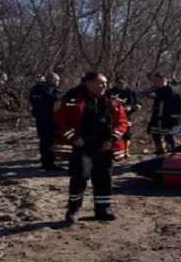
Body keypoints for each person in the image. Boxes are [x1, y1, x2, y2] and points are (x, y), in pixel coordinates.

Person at [54, 72, 128, 224]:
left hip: (104, 146)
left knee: (103, 178)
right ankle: (73, 210)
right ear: (88, 83)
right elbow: (60, 121)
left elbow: (122, 122)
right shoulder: (72, 99)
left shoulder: (112, 101)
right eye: (100, 83)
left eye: (105, 83)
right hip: (82, 145)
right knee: (80, 177)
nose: (104, 86)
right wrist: (74, 138)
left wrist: (112, 139)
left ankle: (103, 210)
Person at [29, 72, 62, 171]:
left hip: (40, 119)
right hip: (49, 120)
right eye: (57, 81)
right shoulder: (49, 90)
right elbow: (56, 101)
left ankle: (46, 163)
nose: (58, 83)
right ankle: (49, 164)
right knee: (49, 142)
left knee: (44, 142)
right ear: (52, 80)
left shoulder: (36, 90)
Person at [146, 73, 181, 154]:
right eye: (155, 81)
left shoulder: (172, 91)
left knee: (169, 137)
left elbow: (178, 108)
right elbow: (147, 94)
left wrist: (176, 122)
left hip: (168, 119)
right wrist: (153, 89)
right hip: (156, 117)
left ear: (164, 80)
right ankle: (160, 153)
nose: (155, 82)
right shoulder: (155, 90)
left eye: (158, 80)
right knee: (155, 135)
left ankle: (173, 154)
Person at [107, 77, 142, 157]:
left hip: (127, 116)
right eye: (118, 83)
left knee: (127, 134)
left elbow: (138, 103)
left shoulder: (130, 92)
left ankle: (126, 151)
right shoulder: (110, 92)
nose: (120, 84)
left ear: (126, 83)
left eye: (122, 83)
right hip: (112, 116)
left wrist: (133, 108)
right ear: (115, 83)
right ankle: (113, 150)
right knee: (113, 133)